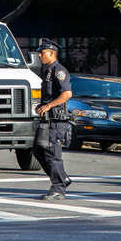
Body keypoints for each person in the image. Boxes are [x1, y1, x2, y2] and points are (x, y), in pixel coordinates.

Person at [32, 39, 73, 201]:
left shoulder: (59, 71)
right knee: (37, 149)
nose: (40, 55)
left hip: (56, 119)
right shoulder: (46, 70)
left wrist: (48, 106)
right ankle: (62, 178)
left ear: (51, 53)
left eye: (42, 53)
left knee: (52, 154)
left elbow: (67, 94)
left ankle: (58, 188)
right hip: (46, 119)